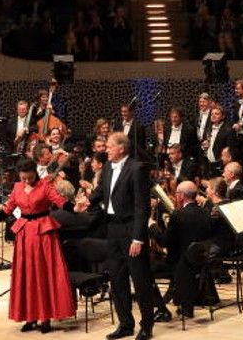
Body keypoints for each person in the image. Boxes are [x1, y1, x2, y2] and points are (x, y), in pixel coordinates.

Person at [75, 132, 162, 340]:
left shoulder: (137, 168)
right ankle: (125, 324)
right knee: (117, 279)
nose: (106, 149)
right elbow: (101, 193)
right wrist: (87, 202)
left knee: (140, 280)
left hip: (131, 228)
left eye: (109, 146)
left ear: (121, 148)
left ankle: (146, 325)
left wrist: (138, 238)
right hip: (112, 229)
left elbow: (141, 207)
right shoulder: (107, 167)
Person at [0, 159, 75, 332]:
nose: (26, 181)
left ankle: (45, 318)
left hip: (44, 235)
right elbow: (7, 210)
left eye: (29, 178)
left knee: (43, 274)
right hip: (24, 236)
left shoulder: (45, 186)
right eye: (23, 178)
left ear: (35, 173)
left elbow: (60, 202)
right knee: (27, 275)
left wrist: (75, 207)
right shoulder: (17, 187)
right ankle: (30, 316)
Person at [148, 180, 212, 318]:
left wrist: (153, 226)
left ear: (182, 196)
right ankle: (183, 304)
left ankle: (161, 308)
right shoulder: (206, 212)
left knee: (144, 271)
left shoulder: (178, 215)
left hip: (179, 263)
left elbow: (164, 242)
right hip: (199, 261)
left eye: (177, 193)